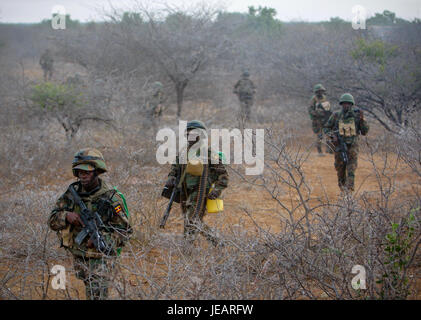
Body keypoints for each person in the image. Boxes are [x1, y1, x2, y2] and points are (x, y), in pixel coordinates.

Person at [48, 148, 132, 299]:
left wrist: (103, 240)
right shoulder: (71, 194)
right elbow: (52, 220)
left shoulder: (111, 198)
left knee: (97, 292)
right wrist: (67, 216)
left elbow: (125, 231)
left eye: (87, 172)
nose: (83, 175)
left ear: (97, 171)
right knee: (89, 288)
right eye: (80, 172)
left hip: (102, 256)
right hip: (80, 254)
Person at [163, 120, 228, 246]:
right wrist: (171, 177)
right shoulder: (183, 153)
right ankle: (192, 246)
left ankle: (212, 242)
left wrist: (217, 190)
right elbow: (175, 168)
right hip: (184, 192)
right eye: (188, 134)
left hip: (200, 191)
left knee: (192, 219)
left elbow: (223, 175)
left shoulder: (209, 153)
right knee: (189, 220)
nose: (190, 136)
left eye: (193, 133)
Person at [324, 93, 369, 192]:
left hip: (352, 148)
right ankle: (342, 189)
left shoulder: (357, 116)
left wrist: (362, 120)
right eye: (344, 104)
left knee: (351, 170)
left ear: (351, 104)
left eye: (348, 104)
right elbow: (326, 128)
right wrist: (333, 137)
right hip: (339, 148)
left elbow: (365, 131)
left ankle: (349, 193)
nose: (346, 105)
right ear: (341, 104)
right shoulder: (336, 115)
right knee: (340, 170)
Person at [308, 84, 334, 155]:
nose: (320, 93)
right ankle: (319, 151)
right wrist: (317, 113)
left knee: (328, 134)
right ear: (316, 92)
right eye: (318, 91)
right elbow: (310, 110)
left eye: (321, 91)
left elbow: (328, 108)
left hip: (326, 119)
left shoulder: (325, 98)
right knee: (319, 136)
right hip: (317, 120)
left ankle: (329, 149)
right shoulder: (313, 99)